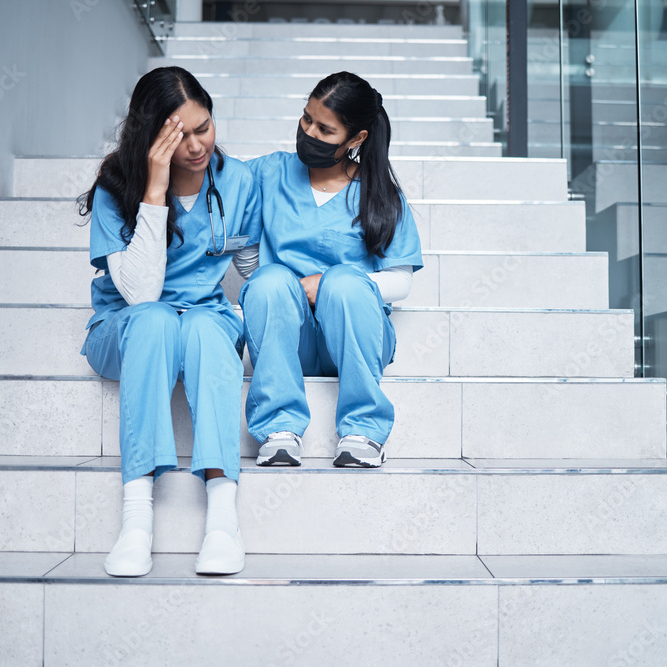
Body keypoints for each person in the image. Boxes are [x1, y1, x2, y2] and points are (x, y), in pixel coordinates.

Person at [78, 67, 261, 577]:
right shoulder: (117, 187)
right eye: (180, 137)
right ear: (150, 136)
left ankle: (223, 520)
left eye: (204, 127)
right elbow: (140, 295)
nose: (198, 146)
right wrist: (154, 189)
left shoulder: (238, 181)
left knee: (204, 327)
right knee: (157, 319)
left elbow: (250, 267)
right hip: (129, 325)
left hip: (204, 317)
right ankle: (136, 519)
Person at [240, 71, 423, 469]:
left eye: (325, 129)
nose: (309, 132)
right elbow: (210, 182)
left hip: (356, 336)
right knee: (270, 279)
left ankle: (363, 431)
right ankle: (278, 430)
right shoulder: (269, 174)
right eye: (307, 119)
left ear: (356, 139)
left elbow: (401, 281)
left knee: (342, 281)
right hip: (291, 340)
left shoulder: (380, 195)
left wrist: (326, 284)